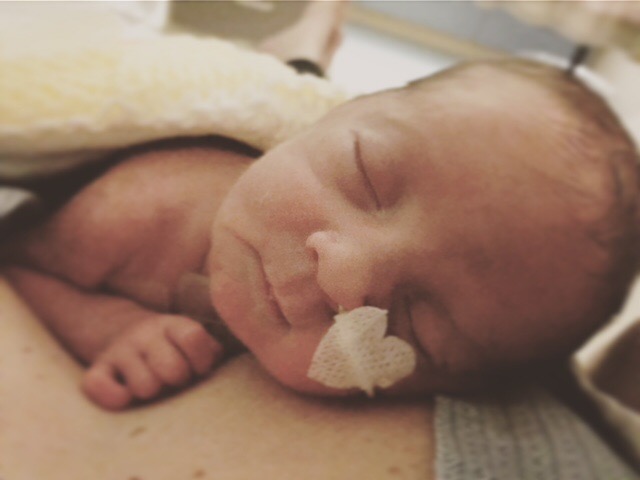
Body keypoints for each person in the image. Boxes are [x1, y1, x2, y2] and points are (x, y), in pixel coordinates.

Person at [3, 39, 640, 409]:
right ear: (332, 118)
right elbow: (17, 259)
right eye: (366, 179)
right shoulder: (140, 206)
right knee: (294, 68)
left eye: (417, 324)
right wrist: (109, 324)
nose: (344, 274)